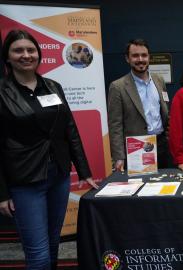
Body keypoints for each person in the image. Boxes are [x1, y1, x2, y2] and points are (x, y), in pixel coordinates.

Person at [0, 29, 97, 269]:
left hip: (59, 176)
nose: (26, 55)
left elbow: (70, 130)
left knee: (54, 244)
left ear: (38, 54)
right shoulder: (2, 92)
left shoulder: (53, 86)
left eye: (31, 50)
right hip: (25, 180)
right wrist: (2, 194)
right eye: (18, 50)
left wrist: (84, 172)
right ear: (7, 56)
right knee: (39, 254)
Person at [108, 39, 171, 171]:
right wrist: (119, 157)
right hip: (137, 148)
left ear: (149, 57)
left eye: (144, 55)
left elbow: (165, 111)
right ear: (127, 59)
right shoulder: (118, 87)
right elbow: (115, 126)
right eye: (135, 56)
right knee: (143, 188)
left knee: (166, 186)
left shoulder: (159, 80)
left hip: (162, 145)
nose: (140, 59)